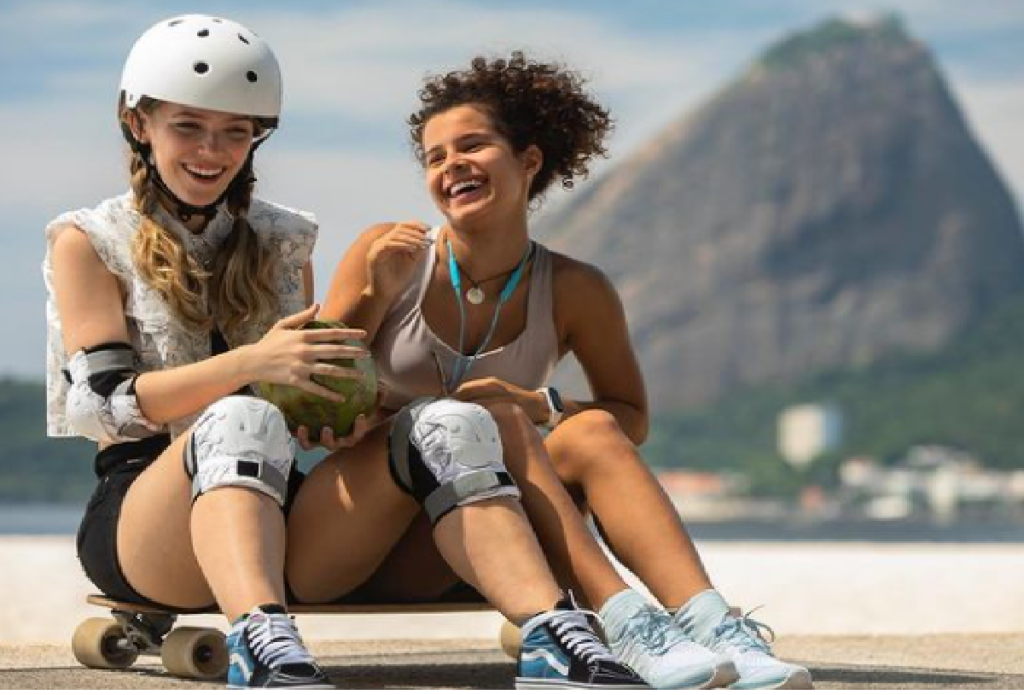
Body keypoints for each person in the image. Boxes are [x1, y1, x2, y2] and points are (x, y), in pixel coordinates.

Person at [46, 15, 644, 691]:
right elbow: (103, 407)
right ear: (138, 122)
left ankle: (553, 636)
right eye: (188, 125)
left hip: (284, 513)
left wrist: (344, 414)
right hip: (145, 520)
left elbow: (312, 407)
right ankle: (261, 642)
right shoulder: (87, 240)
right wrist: (250, 366)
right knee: (243, 419)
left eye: (235, 131)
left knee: (448, 421)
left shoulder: (284, 240)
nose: (212, 150)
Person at [321, 52, 813, 690]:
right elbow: (315, 391)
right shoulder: (387, 252)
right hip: (375, 535)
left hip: (498, 542)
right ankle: (626, 619)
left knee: (590, 432)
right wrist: (371, 296)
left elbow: (631, 416)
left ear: (529, 161)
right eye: (434, 157)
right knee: (488, 418)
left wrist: (540, 406)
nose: (449, 167)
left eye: (472, 145)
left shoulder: (577, 288)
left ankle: (715, 627)